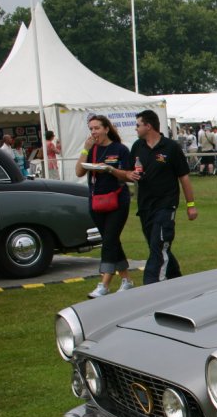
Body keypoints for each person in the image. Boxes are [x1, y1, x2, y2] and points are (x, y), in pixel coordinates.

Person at [125, 109, 197, 284]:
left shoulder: (171, 147)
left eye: (138, 125)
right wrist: (128, 175)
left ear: (148, 126)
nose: (136, 129)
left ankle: (151, 286)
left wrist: (191, 205)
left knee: (160, 245)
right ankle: (177, 281)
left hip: (166, 205)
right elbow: (128, 170)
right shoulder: (137, 146)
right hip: (145, 206)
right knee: (157, 246)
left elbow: (184, 178)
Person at [73, 115, 134, 297]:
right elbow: (78, 171)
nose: (93, 132)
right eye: (91, 129)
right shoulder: (91, 149)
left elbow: (128, 175)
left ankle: (104, 284)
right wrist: (85, 149)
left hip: (117, 200)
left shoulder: (120, 149)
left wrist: (110, 169)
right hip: (97, 201)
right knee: (112, 239)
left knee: (108, 240)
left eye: (97, 128)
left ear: (106, 129)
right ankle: (127, 280)